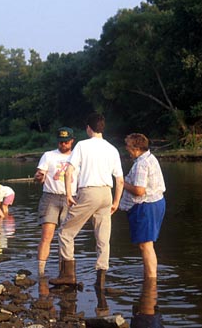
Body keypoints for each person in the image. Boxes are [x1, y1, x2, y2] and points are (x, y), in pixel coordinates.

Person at [50, 112, 124, 289]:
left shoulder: (82, 146)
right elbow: (120, 179)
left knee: (65, 233)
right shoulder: (112, 149)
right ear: (102, 128)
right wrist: (116, 202)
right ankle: (101, 280)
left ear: (88, 128)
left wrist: (68, 194)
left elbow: (69, 171)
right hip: (107, 193)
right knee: (103, 237)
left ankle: (68, 275)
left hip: (88, 192)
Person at [119, 133, 166, 279]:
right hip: (156, 203)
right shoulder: (150, 158)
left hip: (146, 206)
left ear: (136, 148)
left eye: (128, 146)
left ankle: (151, 279)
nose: (126, 149)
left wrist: (121, 183)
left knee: (146, 245)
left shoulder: (141, 164)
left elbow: (139, 191)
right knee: (146, 244)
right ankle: (150, 277)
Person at [34, 126, 77, 277]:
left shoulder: (78, 157)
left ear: (72, 141)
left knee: (66, 237)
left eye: (66, 142)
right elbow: (39, 176)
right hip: (50, 196)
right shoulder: (48, 155)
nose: (63, 145)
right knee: (47, 236)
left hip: (70, 198)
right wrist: (39, 177)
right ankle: (40, 272)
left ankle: (64, 272)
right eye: (60, 142)